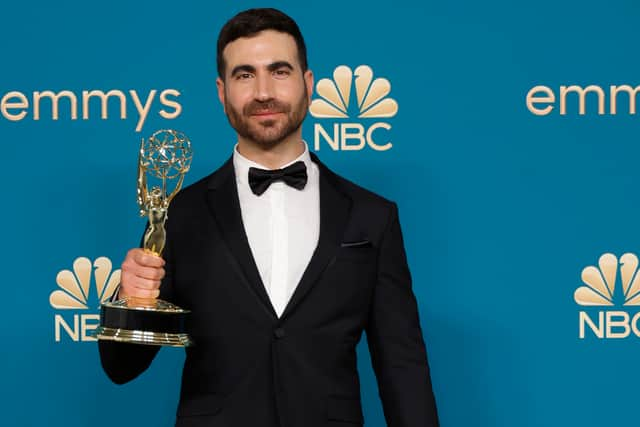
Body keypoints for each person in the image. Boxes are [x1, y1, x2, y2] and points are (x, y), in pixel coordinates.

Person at [99, 7, 440, 427]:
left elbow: (402, 366)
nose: (263, 92)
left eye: (279, 71)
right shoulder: (178, 214)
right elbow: (120, 368)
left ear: (308, 84)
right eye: (245, 75)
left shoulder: (372, 216)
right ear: (222, 93)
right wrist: (132, 301)